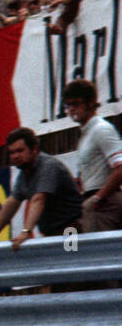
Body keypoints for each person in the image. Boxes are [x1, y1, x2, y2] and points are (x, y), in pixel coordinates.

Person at [0, 128, 83, 252]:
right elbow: (11, 203)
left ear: (34, 149)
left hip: (72, 228)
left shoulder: (48, 166)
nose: (15, 156)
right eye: (12, 152)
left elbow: (39, 199)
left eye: (20, 151)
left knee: (71, 266)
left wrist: (25, 232)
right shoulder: (24, 174)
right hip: (52, 233)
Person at [63, 79, 122, 233]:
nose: (71, 109)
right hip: (94, 201)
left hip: (105, 204)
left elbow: (120, 168)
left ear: (91, 102)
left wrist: (98, 199)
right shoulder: (87, 133)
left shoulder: (101, 129)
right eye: (67, 105)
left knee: (102, 255)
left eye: (75, 104)